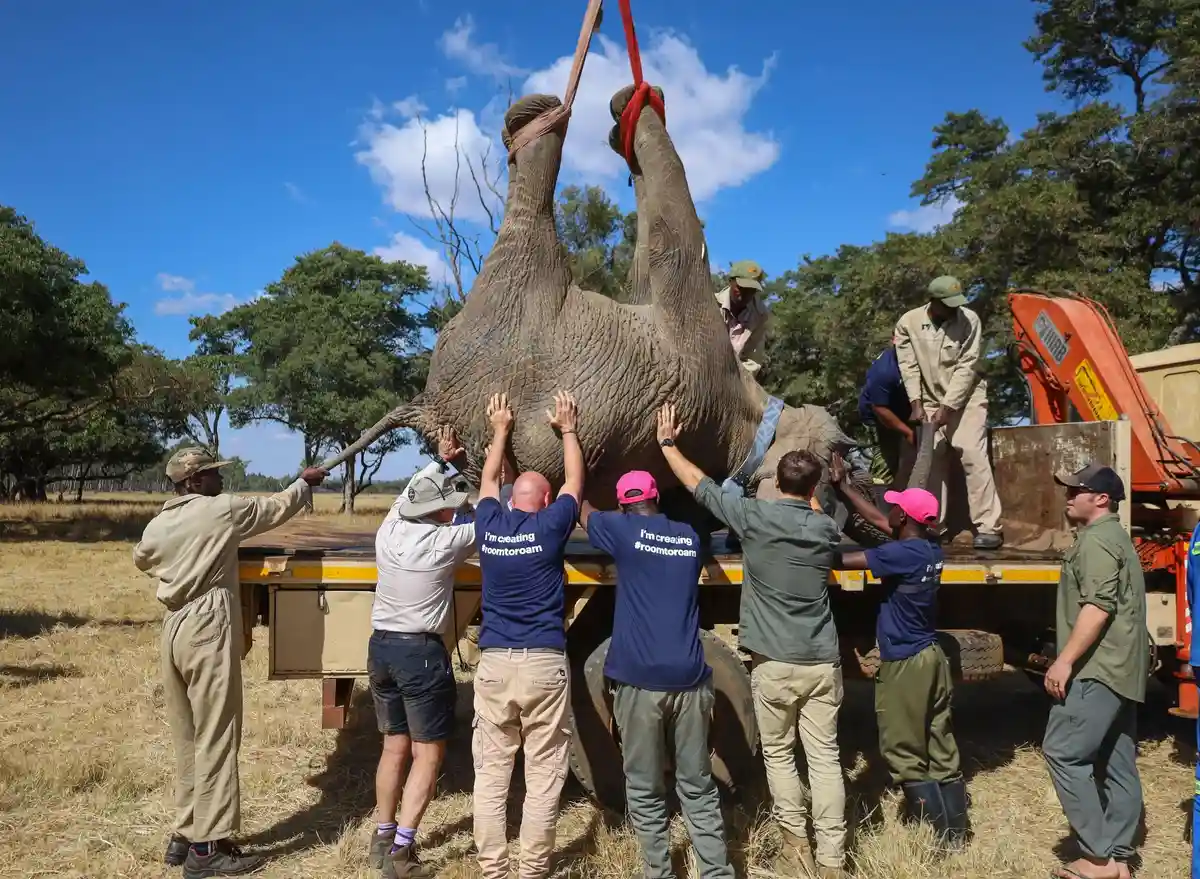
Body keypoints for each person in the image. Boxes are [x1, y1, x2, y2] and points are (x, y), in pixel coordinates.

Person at [656, 403, 847, 879]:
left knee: (781, 757)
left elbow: (697, 484)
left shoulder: (755, 521)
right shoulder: (825, 531)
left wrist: (666, 443)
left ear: (777, 485)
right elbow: (812, 506)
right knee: (825, 758)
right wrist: (810, 488)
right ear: (811, 490)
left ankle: (794, 850)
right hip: (822, 662)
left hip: (775, 664)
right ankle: (832, 860)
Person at [133, 448, 328, 878]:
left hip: (174, 627)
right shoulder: (219, 511)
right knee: (218, 733)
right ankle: (208, 851)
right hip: (207, 623)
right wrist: (304, 483)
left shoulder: (160, 521)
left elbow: (142, 557)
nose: (222, 481)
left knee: (188, 734)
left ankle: (185, 835)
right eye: (214, 475)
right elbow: (275, 508)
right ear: (195, 481)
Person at [367, 425, 513, 878]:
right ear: (442, 513)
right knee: (428, 754)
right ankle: (403, 853)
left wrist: (440, 461)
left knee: (394, 747)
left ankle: (382, 835)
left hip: (381, 648)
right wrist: (502, 468)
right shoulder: (444, 543)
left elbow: (409, 496)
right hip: (420, 654)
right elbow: (494, 514)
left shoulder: (388, 530)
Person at [580, 470, 734, 879]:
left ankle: (659, 873)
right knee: (697, 786)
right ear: (654, 500)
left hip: (640, 682)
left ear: (623, 505)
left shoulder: (621, 529)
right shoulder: (689, 537)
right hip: (691, 678)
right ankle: (717, 872)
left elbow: (582, 510)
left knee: (646, 790)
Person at [471, 390, 584, 879]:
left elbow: (486, 480)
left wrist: (500, 430)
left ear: (509, 501)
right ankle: (532, 871)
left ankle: (493, 870)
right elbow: (575, 483)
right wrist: (568, 429)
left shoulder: (490, 524)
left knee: (491, 776)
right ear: (543, 502)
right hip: (543, 664)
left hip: (495, 663)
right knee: (543, 775)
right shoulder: (552, 525)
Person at [827, 453, 968, 847]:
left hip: (906, 661)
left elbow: (842, 559)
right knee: (939, 741)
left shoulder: (900, 555)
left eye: (895, 507)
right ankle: (957, 833)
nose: (888, 509)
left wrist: (804, 538)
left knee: (902, 748)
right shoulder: (927, 548)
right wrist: (845, 489)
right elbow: (878, 521)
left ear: (904, 520)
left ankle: (934, 837)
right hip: (932, 657)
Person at [1042, 463, 1148, 879]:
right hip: (1123, 670)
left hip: (1098, 669)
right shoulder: (1115, 538)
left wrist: (1065, 659)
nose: (1068, 497)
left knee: (1063, 751)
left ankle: (1098, 857)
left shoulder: (1097, 542)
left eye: (1076, 490)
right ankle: (1119, 857)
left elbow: (1098, 606)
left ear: (1101, 498)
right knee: (1117, 762)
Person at [894, 275, 1003, 550]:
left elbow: (968, 366)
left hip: (967, 398)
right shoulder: (908, 322)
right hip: (929, 399)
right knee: (933, 457)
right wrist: (916, 403)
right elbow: (908, 366)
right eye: (948, 304)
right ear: (933, 302)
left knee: (971, 453)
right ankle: (933, 526)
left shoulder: (969, 320)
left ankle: (989, 527)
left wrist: (948, 407)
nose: (955, 309)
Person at [857, 341, 915, 488]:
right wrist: (908, 432)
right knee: (886, 462)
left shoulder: (916, 359)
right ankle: (881, 500)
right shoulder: (884, 371)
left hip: (902, 409)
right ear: (894, 340)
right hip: (878, 417)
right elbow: (880, 409)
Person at [714, 259, 770, 375]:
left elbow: (753, 360)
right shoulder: (711, 304)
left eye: (751, 290)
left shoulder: (760, 315)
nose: (746, 293)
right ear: (730, 281)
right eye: (741, 287)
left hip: (736, 379)